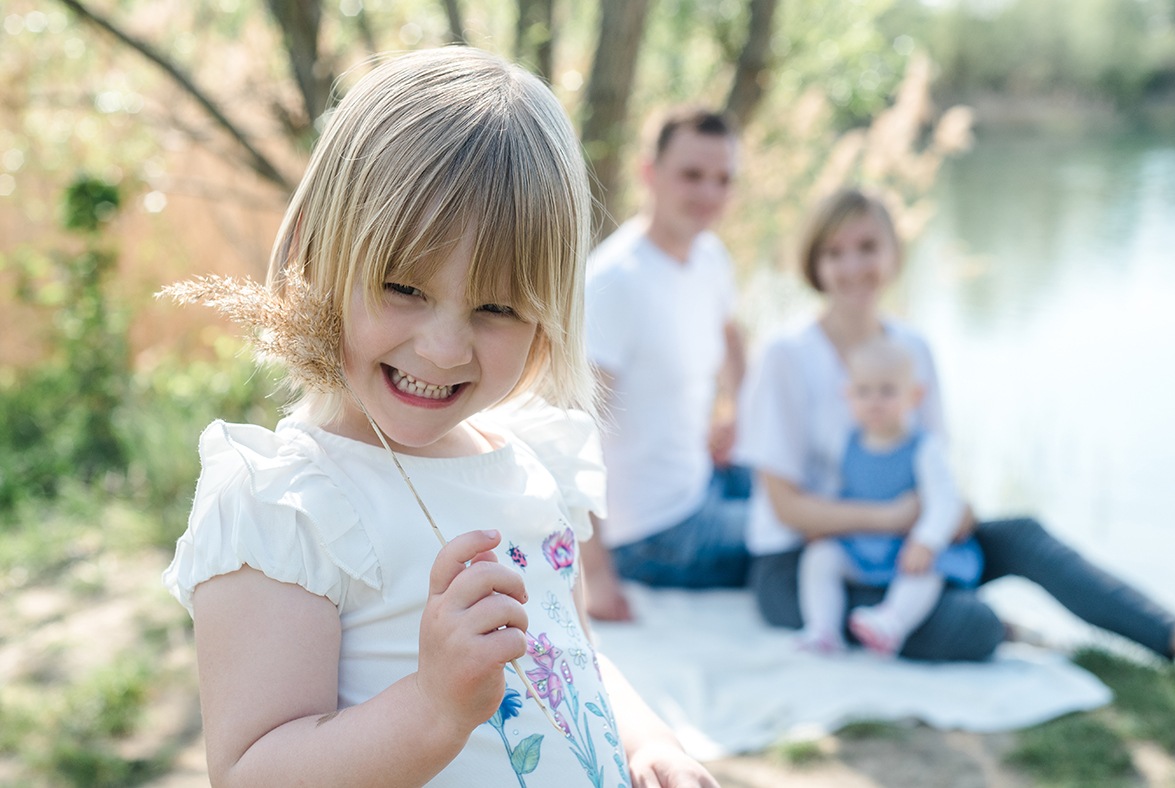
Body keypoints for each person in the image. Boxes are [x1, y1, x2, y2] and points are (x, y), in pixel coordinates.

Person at [161, 49, 719, 788]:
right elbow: (254, 771)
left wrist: (645, 744)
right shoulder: (289, 506)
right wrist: (432, 709)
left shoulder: (534, 462)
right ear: (315, 253)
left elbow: (570, 658)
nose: (444, 347)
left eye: (496, 308)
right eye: (402, 287)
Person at [735, 187, 1175, 662]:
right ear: (814, 262)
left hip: (906, 545)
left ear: (893, 253)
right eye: (834, 252)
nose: (853, 267)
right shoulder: (785, 355)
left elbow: (932, 467)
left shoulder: (914, 348)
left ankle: (1169, 635)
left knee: (1022, 536)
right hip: (805, 563)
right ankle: (981, 624)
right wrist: (888, 518)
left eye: (867, 248)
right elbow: (784, 506)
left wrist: (948, 513)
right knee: (971, 624)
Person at [581, 107, 749, 621]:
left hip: (701, 480)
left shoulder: (709, 257)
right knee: (807, 526)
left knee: (818, 483)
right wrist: (595, 578)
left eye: (722, 180)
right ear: (649, 173)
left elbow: (732, 337)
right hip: (651, 531)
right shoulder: (614, 282)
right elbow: (570, 434)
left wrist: (735, 415)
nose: (708, 195)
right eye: (692, 175)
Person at [798, 336, 983, 656]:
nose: (875, 401)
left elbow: (945, 500)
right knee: (820, 558)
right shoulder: (844, 443)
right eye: (864, 391)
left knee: (926, 572)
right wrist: (823, 525)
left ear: (914, 395)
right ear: (848, 394)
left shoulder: (925, 448)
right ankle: (823, 629)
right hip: (862, 544)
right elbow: (832, 490)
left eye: (887, 391)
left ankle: (892, 622)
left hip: (908, 547)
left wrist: (927, 540)